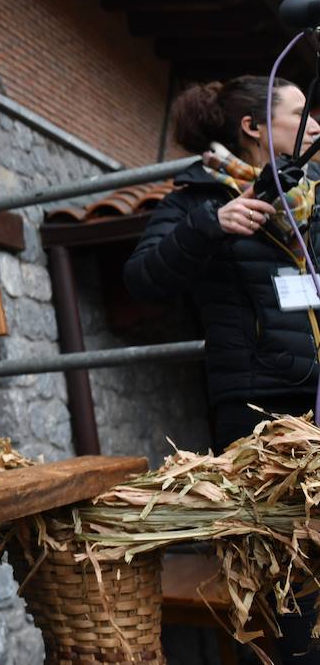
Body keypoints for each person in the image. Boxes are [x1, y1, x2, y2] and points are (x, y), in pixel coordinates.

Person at [124, 75, 320, 661]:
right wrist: (211, 226)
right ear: (254, 127)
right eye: (302, 115)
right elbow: (142, 280)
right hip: (262, 416)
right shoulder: (197, 199)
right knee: (287, 580)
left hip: (317, 402)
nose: (316, 127)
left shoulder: (307, 200)